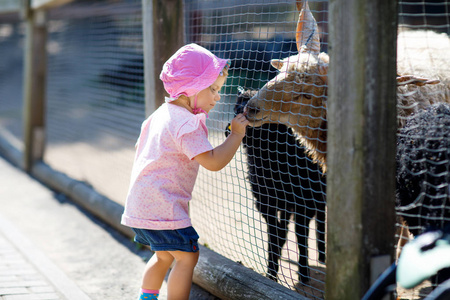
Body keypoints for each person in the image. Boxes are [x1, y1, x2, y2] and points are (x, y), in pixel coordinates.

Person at [121, 43, 249, 300]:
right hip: (164, 207)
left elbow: (141, 148)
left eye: (219, 90)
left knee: (164, 256)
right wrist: (235, 135)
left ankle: (147, 297)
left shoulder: (159, 115)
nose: (218, 96)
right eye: (212, 89)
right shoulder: (187, 123)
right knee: (188, 256)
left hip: (140, 206)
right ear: (189, 88)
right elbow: (213, 161)